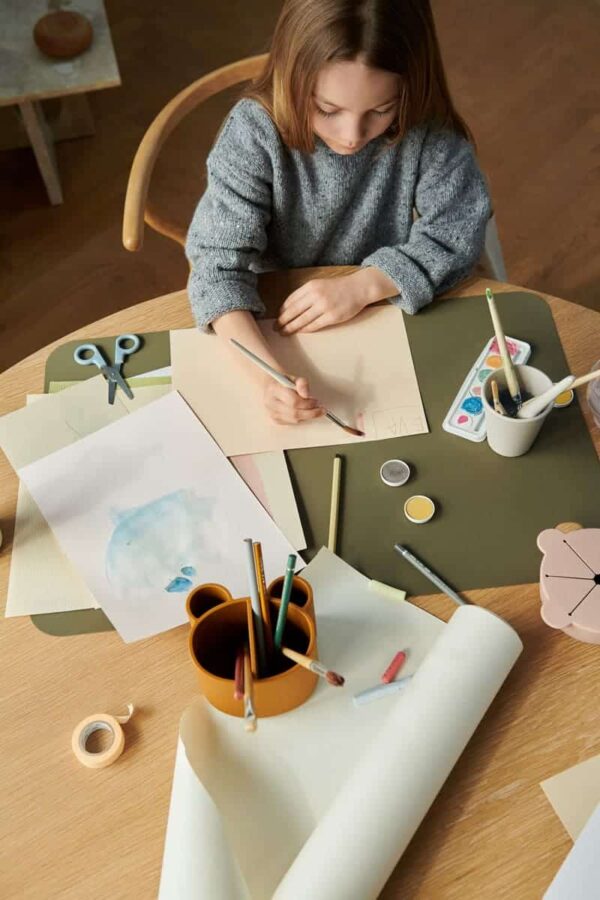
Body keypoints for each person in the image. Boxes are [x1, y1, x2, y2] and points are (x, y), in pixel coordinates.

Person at [186, 0, 491, 426]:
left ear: (411, 88)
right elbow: (216, 270)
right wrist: (265, 381)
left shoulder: (427, 128)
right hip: (272, 311)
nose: (351, 136)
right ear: (293, 81)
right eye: (328, 110)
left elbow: (457, 232)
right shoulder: (254, 133)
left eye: (381, 110)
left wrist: (366, 285)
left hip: (382, 309)